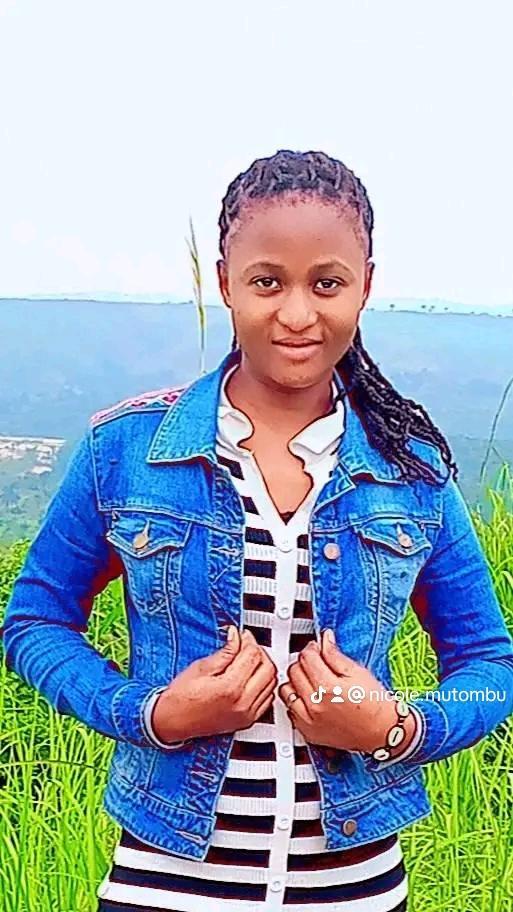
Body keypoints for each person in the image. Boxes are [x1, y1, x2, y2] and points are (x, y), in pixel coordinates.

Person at [2, 148, 513, 912]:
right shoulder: (125, 452)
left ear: (366, 285)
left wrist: (395, 726)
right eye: (267, 281)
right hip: (164, 886)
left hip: (353, 891)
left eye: (327, 283)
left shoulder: (412, 470)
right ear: (224, 283)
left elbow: (488, 663)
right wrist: (153, 714)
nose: (297, 314)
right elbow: (36, 621)